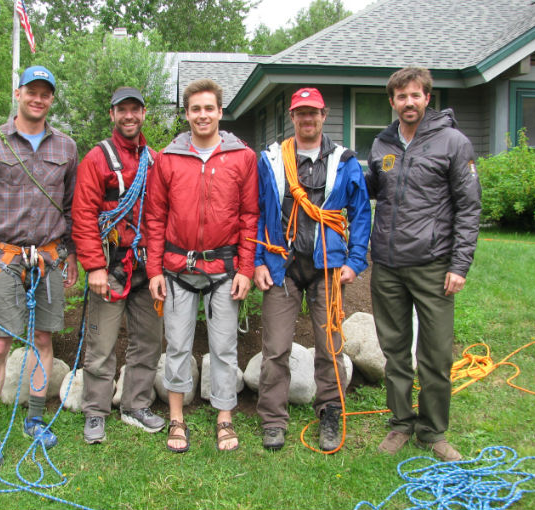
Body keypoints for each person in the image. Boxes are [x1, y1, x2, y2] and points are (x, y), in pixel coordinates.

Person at [0, 65, 78, 466]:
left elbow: (70, 208)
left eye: (45, 93)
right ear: (18, 93)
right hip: (3, 260)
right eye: (32, 91)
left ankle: (34, 420)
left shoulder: (66, 147)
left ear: (50, 99)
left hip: (47, 260)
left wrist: (72, 254)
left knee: (44, 341)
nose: (38, 98)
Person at [366, 66, 481, 462]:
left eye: (415, 95)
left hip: (433, 265)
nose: (408, 102)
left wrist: (459, 265)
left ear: (427, 98)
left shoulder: (453, 143)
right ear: (393, 101)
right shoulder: (382, 144)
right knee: (395, 350)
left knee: (434, 353)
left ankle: (432, 431)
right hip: (387, 265)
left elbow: (469, 208)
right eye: (401, 97)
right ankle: (400, 422)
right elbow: (370, 192)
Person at [253, 88, 371, 452]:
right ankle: (273, 419)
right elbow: (257, 211)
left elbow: (362, 213)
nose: (307, 119)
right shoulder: (272, 159)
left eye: (313, 113)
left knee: (330, 347)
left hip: (328, 266)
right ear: (292, 118)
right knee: (275, 348)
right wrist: (258, 260)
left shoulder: (344, 160)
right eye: (300, 113)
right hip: (281, 266)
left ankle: (330, 411)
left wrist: (354, 261)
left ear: (324, 115)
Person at [146, 79, 259, 452]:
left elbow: (248, 217)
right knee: (177, 344)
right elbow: (155, 217)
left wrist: (245, 268)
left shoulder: (242, 157)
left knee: (224, 348)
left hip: (224, 270)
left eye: (209, 108)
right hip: (177, 269)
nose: (202, 115)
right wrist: (154, 270)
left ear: (220, 112)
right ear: (187, 113)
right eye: (195, 109)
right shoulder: (168, 158)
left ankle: (224, 417)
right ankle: (176, 418)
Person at [72, 87, 164, 444]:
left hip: (146, 267)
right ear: (112, 115)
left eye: (135, 110)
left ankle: (135, 405)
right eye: (122, 110)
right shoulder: (97, 159)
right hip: (110, 268)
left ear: (143, 114)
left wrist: (157, 268)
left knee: (149, 342)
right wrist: (94, 267)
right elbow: (82, 215)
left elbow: (160, 215)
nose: (129, 116)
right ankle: (95, 412)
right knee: (101, 344)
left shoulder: (153, 160)